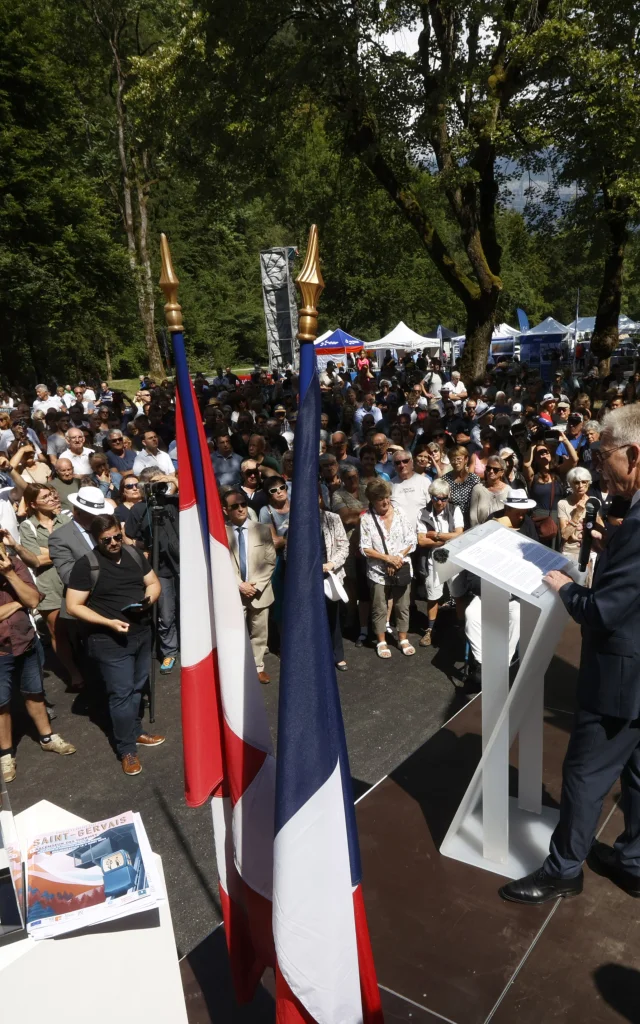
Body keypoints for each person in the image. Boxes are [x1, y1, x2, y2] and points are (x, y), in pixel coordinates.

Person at [499, 404, 640, 906]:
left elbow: (603, 611)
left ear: (633, 455)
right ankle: (634, 861)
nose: (598, 465)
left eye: (604, 455)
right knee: (637, 772)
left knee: (584, 774)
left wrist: (565, 588)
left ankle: (563, 869)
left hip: (622, 677)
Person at [66, 514, 163, 776]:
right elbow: (73, 606)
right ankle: (126, 749)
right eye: (106, 540)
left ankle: (135, 732)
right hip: (109, 641)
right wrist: (109, 623)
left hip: (141, 633)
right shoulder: (87, 565)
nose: (113, 543)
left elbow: (153, 583)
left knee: (136, 688)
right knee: (121, 693)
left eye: (117, 537)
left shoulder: (132, 554)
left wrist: (148, 600)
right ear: (95, 540)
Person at [0, 542, 76, 784]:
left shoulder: (15, 566)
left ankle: (47, 738)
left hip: (26, 643)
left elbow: (33, 600)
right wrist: (17, 603)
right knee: (1, 705)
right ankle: (5, 755)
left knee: (35, 693)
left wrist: (10, 573)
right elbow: (26, 601)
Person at [18, 484, 84, 691]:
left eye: (52, 495)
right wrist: (60, 549)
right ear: (33, 503)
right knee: (58, 631)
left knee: (82, 625)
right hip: (49, 585)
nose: (52, 499)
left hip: (74, 579)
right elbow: (35, 561)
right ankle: (74, 673)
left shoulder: (65, 518)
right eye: (45, 497)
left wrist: (47, 552)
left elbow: (78, 548)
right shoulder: (27, 527)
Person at [125, 469, 180, 673]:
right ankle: (170, 652)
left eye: (160, 482)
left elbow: (196, 502)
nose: (159, 487)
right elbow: (128, 535)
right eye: (153, 484)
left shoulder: (174, 502)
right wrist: (143, 550)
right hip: (160, 569)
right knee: (166, 614)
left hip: (184, 565)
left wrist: (173, 480)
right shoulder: (140, 509)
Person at [223, 489, 276, 684]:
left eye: (243, 504)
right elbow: (220, 563)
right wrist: (239, 585)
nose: (240, 509)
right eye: (234, 506)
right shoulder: (220, 532)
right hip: (234, 592)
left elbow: (270, 561)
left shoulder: (262, 529)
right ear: (225, 510)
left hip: (259, 592)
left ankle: (258, 667)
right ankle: (236, 669)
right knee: (234, 634)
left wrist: (256, 586)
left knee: (260, 634)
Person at [360, 478, 416, 659]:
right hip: (378, 571)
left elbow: (411, 539)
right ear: (371, 500)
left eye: (387, 497)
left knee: (403, 605)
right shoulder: (367, 519)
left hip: (401, 567)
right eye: (380, 499)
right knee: (379, 607)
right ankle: (382, 640)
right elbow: (365, 548)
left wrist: (398, 558)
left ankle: (402, 638)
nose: (385, 502)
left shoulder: (400, 512)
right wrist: (387, 559)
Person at [416, 478, 464, 646]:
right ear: (431, 496)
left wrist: (435, 535)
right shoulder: (422, 512)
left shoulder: (455, 509)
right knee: (432, 596)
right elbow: (421, 541)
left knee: (457, 594)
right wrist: (447, 538)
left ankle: (461, 626)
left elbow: (459, 535)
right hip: (432, 560)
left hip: (453, 559)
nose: (440, 502)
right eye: (437, 497)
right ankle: (430, 630)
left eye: (444, 498)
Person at [331, 465, 370, 648]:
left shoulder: (365, 488)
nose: (352, 481)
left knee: (367, 579)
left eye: (354, 477)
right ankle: (351, 615)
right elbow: (345, 518)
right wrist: (365, 512)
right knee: (351, 580)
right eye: (348, 478)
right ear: (341, 479)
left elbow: (376, 509)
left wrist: (357, 514)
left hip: (369, 542)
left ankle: (365, 616)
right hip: (347, 543)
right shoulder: (337, 494)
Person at [320, 492, 350, 670]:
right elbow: (288, 552)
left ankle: (338, 656)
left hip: (331, 574)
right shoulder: (297, 521)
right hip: (308, 578)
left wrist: (331, 564)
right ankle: (319, 657)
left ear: (319, 498)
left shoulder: (332, 518)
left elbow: (344, 546)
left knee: (333, 617)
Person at [557, 467, 592, 562]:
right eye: (576, 482)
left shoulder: (594, 502)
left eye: (584, 482)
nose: (580, 485)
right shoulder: (563, 503)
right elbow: (564, 535)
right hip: (569, 552)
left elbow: (598, 530)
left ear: (588, 483)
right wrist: (577, 513)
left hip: (589, 552)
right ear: (571, 484)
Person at [391, 450, 431, 528]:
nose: (402, 465)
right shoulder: (389, 485)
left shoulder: (424, 481)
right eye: (397, 463)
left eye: (405, 461)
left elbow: (432, 508)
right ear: (394, 466)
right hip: (399, 533)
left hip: (422, 533)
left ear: (412, 462)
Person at [469, 455, 510, 526]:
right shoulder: (478, 489)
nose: (491, 471)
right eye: (488, 468)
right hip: (480, 531)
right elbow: (473, 517)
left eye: (495, 469)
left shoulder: (508, 490)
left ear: (502, 472)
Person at [444, 446, 481, 525]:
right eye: (453, 459)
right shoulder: (445, 480)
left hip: (471, 520)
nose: (456, 462)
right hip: (453, 521)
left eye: (458, 459)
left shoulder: (474, 479)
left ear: (466, 459)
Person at [258, 475, 290, 551]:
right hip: (280, 555)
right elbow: (274, 542)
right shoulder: (265, 511)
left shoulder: (297, 506)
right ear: (269, 495)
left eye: (282, 487)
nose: (279, 492)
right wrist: (296, 538)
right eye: (273, 490)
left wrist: (283, 540)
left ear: (286, 488)